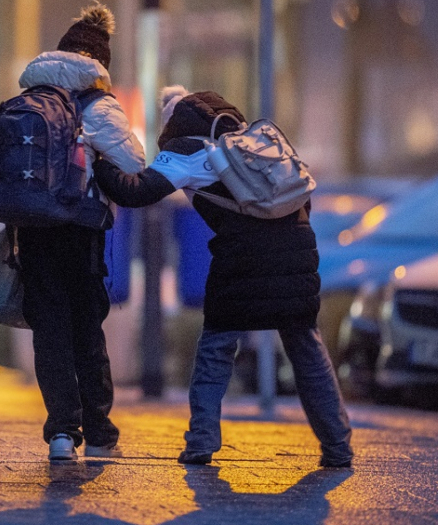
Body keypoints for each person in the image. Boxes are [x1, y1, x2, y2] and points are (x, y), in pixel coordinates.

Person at [92, 87, 354, 468]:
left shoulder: (187, 150)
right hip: (298, 251)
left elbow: (135, 192)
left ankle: (201, 441)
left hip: (241, 256)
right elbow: (301, 194)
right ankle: (338, 446)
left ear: (174, 123)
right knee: (306, 347)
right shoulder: (256, 140)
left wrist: (99, 161)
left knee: (216, 348)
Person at [0, 4, 145, 461]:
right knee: (86, 328)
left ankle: (62, 434)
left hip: (33, 228)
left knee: (48, 328)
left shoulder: (28, 99)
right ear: (100, 62)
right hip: (80, 229)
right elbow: (134, 162)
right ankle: (100, 431)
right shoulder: (99, 105)